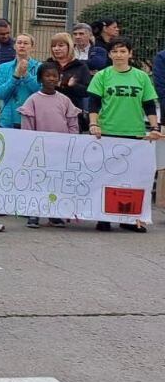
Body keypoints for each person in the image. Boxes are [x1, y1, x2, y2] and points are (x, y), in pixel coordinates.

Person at [88, 39, 162, 233]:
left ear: (130, 54)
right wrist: (94, 124)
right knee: (105, 177)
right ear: (110, 55)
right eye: (115, 51)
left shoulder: (141, 77)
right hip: (108, 132)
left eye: (123, 51)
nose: (119, 54)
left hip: (134, 134)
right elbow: (94, 103)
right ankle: (103, 217)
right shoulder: (102, 76)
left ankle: (128, 218)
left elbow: (148, 104)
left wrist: (155, 127)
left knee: (131, 179)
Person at [19, 62, 82, 228]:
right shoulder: (32, 100)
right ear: (40, 78)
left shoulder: (65, 100)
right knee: (37, 182)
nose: (51, 79)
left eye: (54, 75)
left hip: (60, 151)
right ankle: (34, 214)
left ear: (59, 78)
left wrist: (70, 142)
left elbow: (72, 123)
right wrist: (31, 146)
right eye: (47, 75)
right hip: (39, 152)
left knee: (56, 182)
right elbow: (27, 126)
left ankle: (54, 214)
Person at [0, 34, 40, 130]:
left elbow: (39, 90)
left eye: (26, 43)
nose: (22, 45)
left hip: (30, 118)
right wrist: (15, 77)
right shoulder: (3, 67)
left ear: (32, 47)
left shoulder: (39, 67)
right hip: (7, 120)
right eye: (19, 43)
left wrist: (26, 75)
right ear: (14, 46)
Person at [48, 32, 91, 117]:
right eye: (53, 46)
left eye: (60, 46)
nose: (56, 49)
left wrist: (73, 86)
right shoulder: (47, 65)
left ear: (69, 47)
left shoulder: (80, 66)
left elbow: (87, 91)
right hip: (50, 111)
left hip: (73, 113)